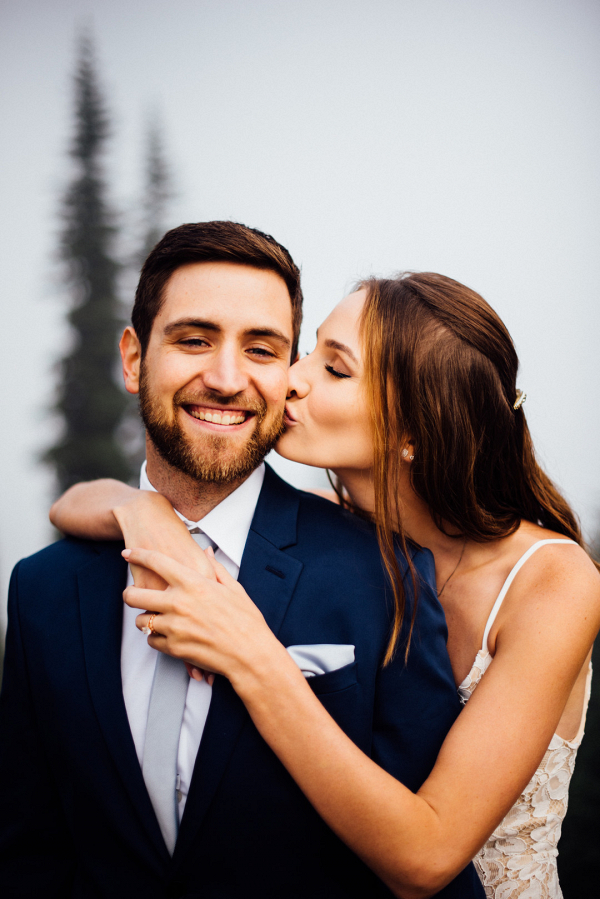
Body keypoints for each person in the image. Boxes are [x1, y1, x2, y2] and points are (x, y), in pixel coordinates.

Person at [50, 272, 600, 899]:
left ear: (416, 431)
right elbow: (71, 502)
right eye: (309, 349)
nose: (292, 376)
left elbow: (428, 856)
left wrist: (252, 656)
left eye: (335, 370)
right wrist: (144, 514)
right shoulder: (333, 538)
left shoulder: (553, 581)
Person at [0, 224, 483, 899]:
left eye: (261, 348)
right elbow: (30, 850)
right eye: (194, 339)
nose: (226, 379)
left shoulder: (384, 574)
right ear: (134, 358)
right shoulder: (41, 590)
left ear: (288, 373)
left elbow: (437, 874)